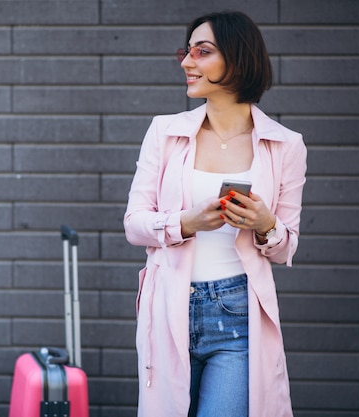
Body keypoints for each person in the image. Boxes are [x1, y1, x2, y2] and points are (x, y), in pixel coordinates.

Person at [123, 10, 307, 417]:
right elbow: (134, 224)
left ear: (238, 59)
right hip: (170, 306)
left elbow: (284, 246)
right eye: (186, 53)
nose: (187, 63)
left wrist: (264, 225)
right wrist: (186, 222)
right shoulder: (165, 131)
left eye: (202, 52)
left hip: (236, 313)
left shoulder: (285, 145)